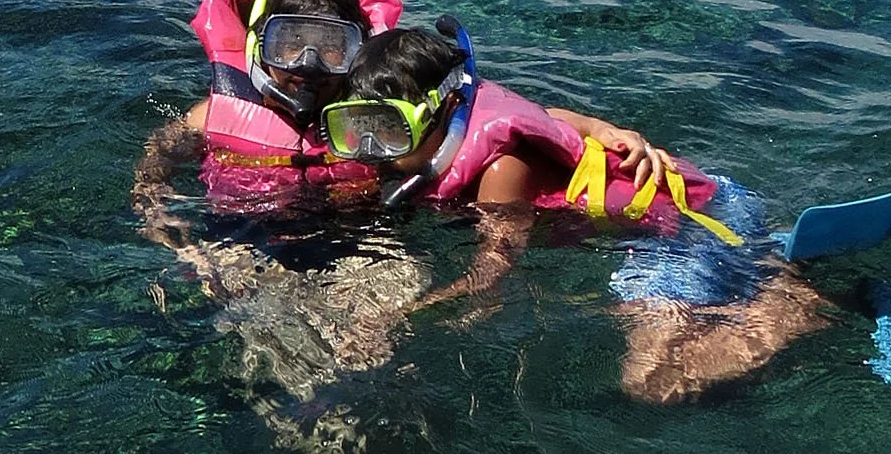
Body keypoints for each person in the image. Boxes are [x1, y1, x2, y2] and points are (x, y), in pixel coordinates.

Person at [320, 23, 831, 402]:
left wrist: (403, 316)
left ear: (444, 109)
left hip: (678, 235)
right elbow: (560, 119)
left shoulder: (502, 171)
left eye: (389, 130)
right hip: (710, 198)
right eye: (356, 128)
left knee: (653, 381)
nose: (369, 148)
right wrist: (605, 129)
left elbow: (494, 271)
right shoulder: (475, 114)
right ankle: (777, 276)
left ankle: (790, 312)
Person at [132, 0, 403, 284]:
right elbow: (158, 156)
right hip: (243, 247)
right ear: (260, 45)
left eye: (333, 46)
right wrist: (156, 211)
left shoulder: (380, 123)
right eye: (290, 43)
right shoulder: (212, 117)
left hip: (357, 245)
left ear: (359, 51)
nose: (309, 64)